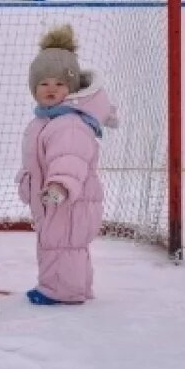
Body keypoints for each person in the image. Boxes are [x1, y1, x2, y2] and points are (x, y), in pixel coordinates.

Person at [17, 24, 119, 305]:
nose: (51, 89)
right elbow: (38, 159)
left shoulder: (69, 124)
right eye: (44, 83)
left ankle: (60, 291)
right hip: (59, 200)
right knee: (65, 246)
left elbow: (70, 160)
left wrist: (60, 186)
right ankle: (76, 287)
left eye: (60, 84)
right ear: (33, 88)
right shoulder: (46, 120)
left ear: (71, 88)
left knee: (61, 246)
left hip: (67, 199)